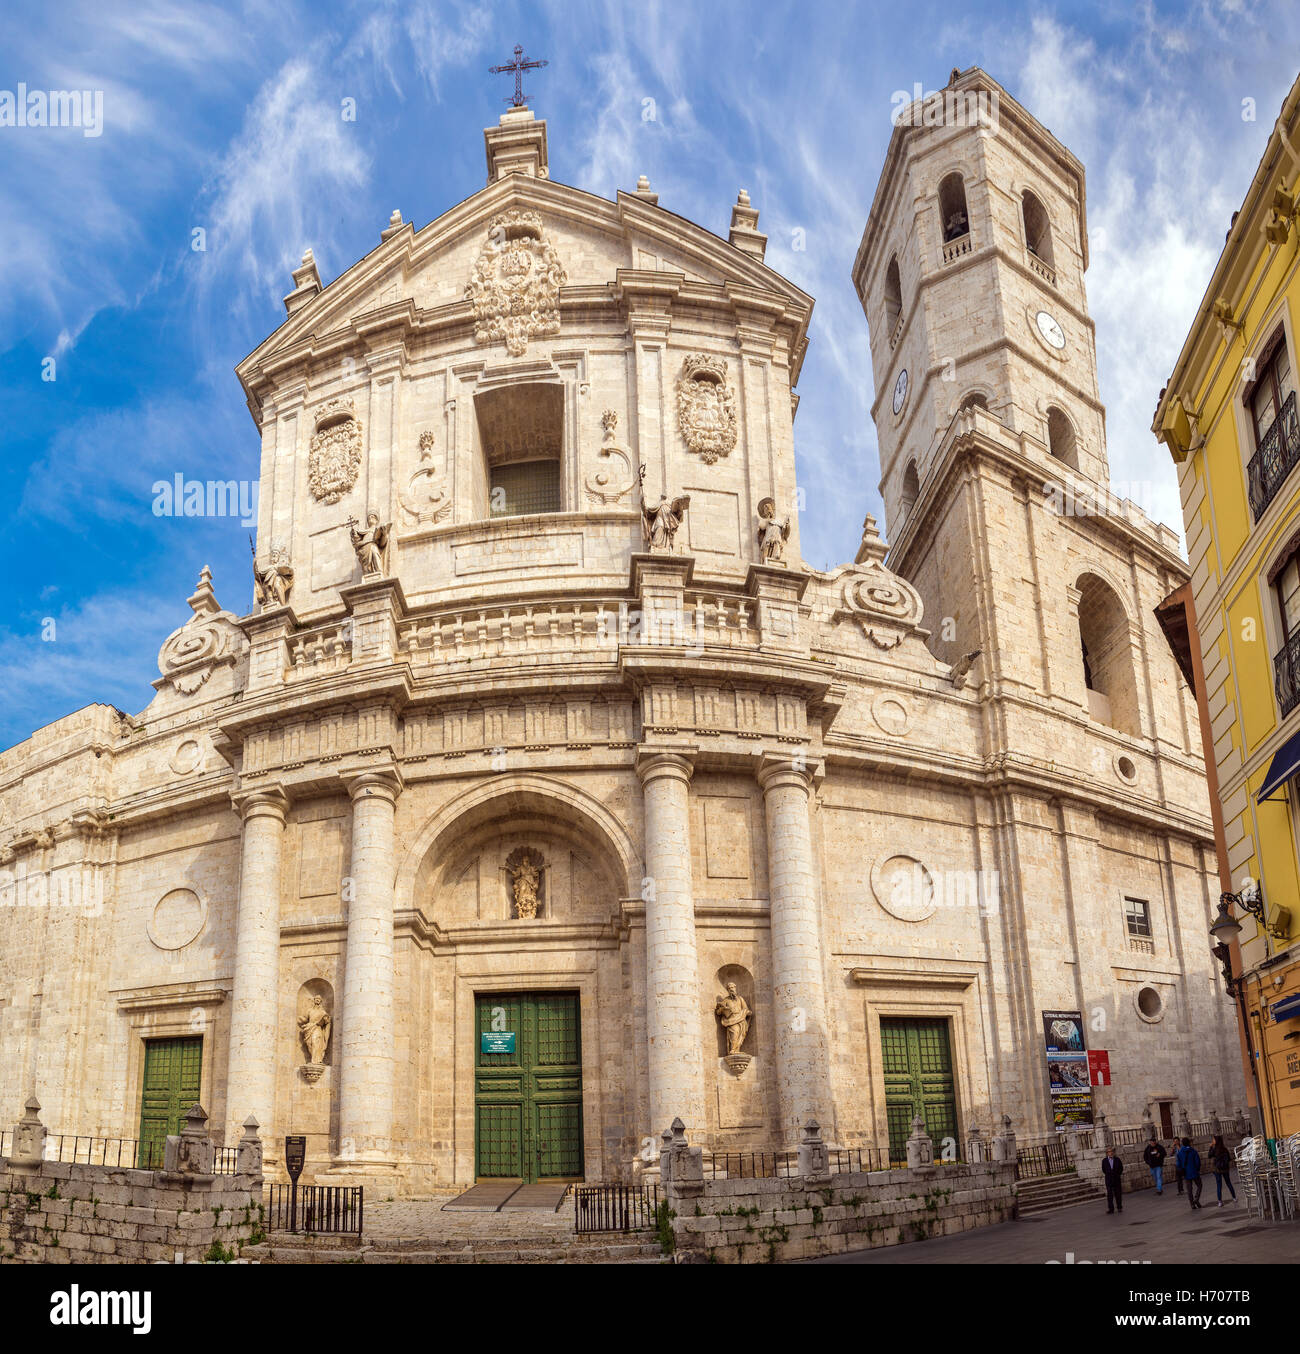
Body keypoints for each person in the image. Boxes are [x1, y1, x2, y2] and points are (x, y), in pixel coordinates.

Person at [1209, 1135, 1237, 1206]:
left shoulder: (1214, 1149)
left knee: (1219, 1185)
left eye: (1214, 1140)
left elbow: (1209, 1156)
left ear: (1216, 1141)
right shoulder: (1225, 1149)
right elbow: (1229, 1159)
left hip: (1217, 1169)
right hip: (1225, 1169)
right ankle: (1234, 1197)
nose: (1213, 1141)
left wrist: (1210, 1147)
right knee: (1228, 1183)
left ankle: (1220, 1201)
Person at [1176, 1137, 1203, 1210]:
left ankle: (1192, 1204)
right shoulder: (1193, 1151)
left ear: (1182, 1143)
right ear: (1189, 1143)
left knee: (1189, 1189)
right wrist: (1197, 1169)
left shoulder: (1180, 1152)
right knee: (1199, 1185)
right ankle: (1196, 1199)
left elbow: (1178, 1164)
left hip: (1186, 1173)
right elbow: (1198, 1162)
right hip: (1194, 1171)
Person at [1101, 1147, 1124, 1214]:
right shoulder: (1104, 1161)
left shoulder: (1117, 1159)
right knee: (1110, 1195)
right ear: (1107, 1153)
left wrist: (1117, 1174)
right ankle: (1111, 1209)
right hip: (1109, 1180)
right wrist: (1109, 1174)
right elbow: (1104, 1170)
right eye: (1109, 1152)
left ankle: (1119, 1207)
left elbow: (1121, 1168)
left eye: (1111, 1151)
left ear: (1113, 1152)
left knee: (1118, 1194)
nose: (1110, 1153)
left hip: (1116, 1179)